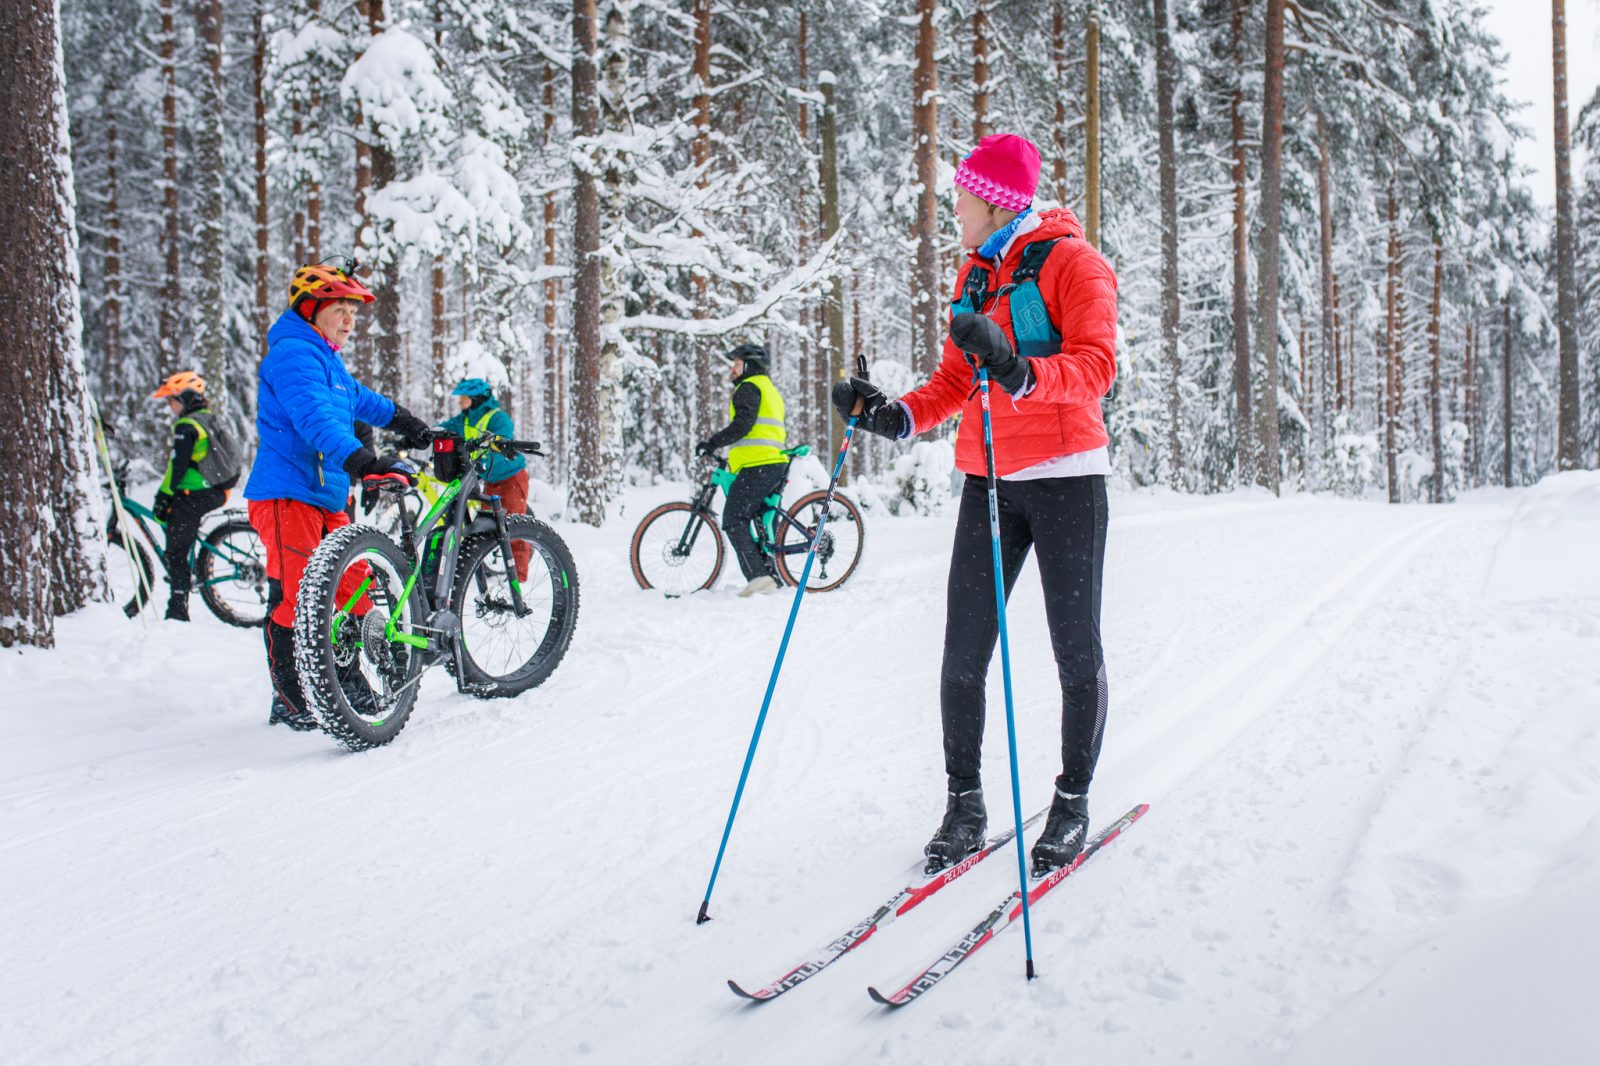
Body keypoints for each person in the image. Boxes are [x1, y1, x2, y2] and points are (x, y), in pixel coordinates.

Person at [831, 133, 1118, 877]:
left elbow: (1096, 368)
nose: (951, 208)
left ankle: (1072, 800)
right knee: (964, 655)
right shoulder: (975, 275)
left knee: (1074, 652)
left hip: (1066, 479)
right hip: (989, 480)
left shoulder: (1076, 264)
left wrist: (1021, 369)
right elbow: (955, 382)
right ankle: (965, 805)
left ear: (992, 201)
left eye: (959, 197)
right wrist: (891, 416)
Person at [245, 259, 432, 732]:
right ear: (310, 308)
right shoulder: (292, 354)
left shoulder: (327, 360)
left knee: (351, 591)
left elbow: (362, 400)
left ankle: (346, 687)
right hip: (288, 494)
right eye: (340, 309)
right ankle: (291, 698)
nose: (350, 320)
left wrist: (407, 422)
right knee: (297, 598)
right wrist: (361, 460)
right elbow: (314, 419)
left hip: (325, 496)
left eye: (353, 311)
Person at [696, 342, 787, 597]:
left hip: (759, 464)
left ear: (749, 365)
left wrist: (712, 443)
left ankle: (759, 577)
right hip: (769, 462)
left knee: (734, 519)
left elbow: (743, 425)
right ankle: (770, 574)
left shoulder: (749, 387)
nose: (732, 369)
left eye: (736, 363)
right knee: (756, 521)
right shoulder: (769, 390)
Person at [149, 371, 240, 621]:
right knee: (180, 538)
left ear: (185, 398)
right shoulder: (208, 419)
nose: (170, 407)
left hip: (195, 494)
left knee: (177, 550)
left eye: (172, 400)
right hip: (215, 491)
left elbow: (177, 466)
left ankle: (178, 608)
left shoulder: (187, 426)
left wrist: (164, 496)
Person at [437, 376, 530, 579]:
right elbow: (447, 427)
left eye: (464, 398)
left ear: (477, 398)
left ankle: (519, 577)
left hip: (511, 478)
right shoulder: (466, 418)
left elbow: (504, 436)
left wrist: (496, 444)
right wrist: (428, 433)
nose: (461, 402)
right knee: (488, 527)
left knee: (513, 526)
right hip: (489, 480)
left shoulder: (498, 417)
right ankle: (487, 573)